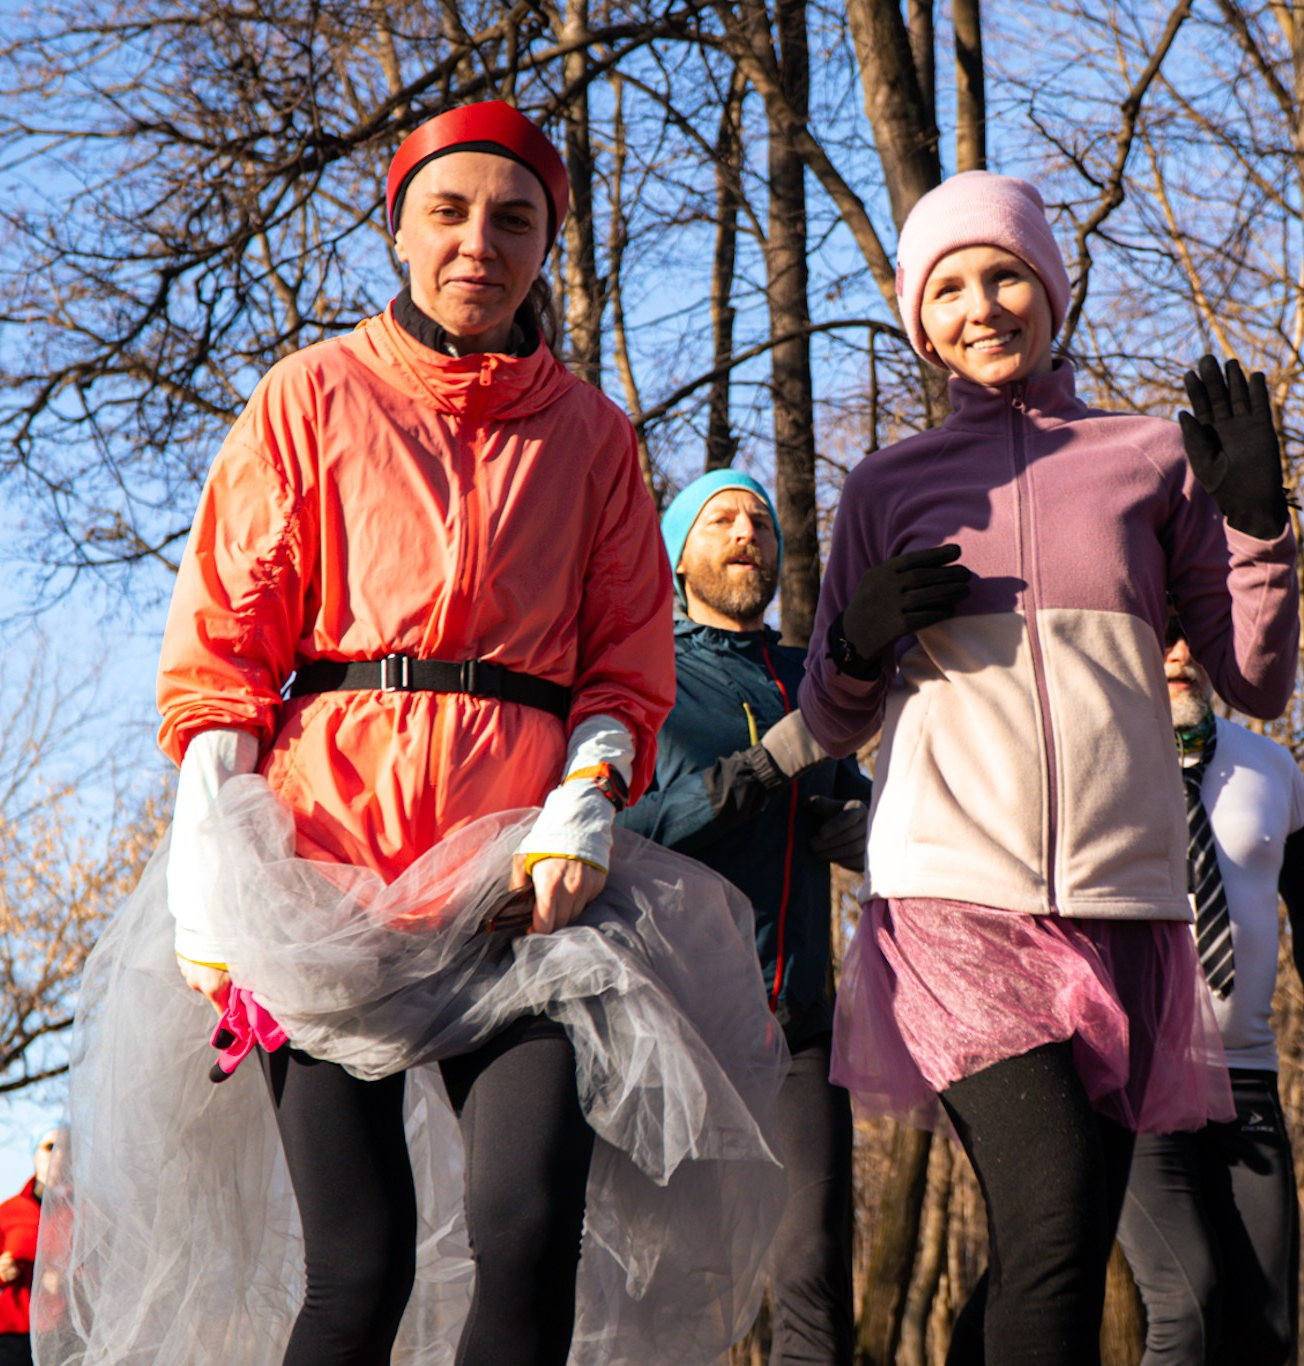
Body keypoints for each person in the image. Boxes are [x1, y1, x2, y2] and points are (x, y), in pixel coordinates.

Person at [41, 100, 786, 1366]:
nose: (477, 244)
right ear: (397, 231)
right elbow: (222, 649)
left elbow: (622, 670)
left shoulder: (596, 440)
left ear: (548, 240)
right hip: (320, 886)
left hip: (518, 891)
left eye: (514, 218)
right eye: (446, 212)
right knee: (361, 1263)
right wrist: (213, 864)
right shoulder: (307, 400)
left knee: (530, 1224)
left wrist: (585, 803)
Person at [801, 170, 1300, 1366]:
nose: (982, 307)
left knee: (1045, 1244)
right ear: (920, 320)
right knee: (1059, 1224)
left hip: (1123, 907)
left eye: (1006, 275)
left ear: (1050, 289)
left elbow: (1251, 681)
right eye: (951, 288)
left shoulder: (1146, 460)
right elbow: (828, 717)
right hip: (952, 897)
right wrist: (859, 637)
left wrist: (1258, 525)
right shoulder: (885, 483)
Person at [618, 470, 871, 1365]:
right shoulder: (646, 676)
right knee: (683, 1278)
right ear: (679, 556)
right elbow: (625, 832)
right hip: (678, 1024)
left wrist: (871, 829)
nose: (745, 532)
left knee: (813, 1273)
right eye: (719, 519)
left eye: (759, 519)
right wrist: (755, 777)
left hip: (800, 1027)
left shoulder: (814, 678)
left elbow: (866, 801)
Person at [1112, 617, 1304, 1365]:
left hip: (1247, 1078)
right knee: (1186, 1310)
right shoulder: (1104, 758)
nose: (1180, 655)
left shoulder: (1271, 767)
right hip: (1137, 1083)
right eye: (1163, 638)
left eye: (1194, 640)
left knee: (1266, 1332)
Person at [0, 1130, 60, 1366]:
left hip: (65, 1328)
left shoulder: (83, 1212)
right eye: (50, 1146)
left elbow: (103, 1266)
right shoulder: (8, 1212)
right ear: (34, 1154)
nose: (58, 1153)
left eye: (67, 1145)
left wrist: (68, 1279)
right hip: (17, 1328)